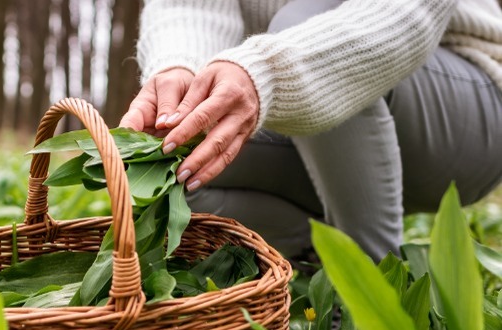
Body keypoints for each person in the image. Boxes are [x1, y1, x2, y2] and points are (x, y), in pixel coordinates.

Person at [120, 0, 502, 261]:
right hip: (299, 122)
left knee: (302, 19)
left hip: (463, 109)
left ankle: (372, 290)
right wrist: (181, 70)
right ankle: (322, 260)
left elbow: (408, 11)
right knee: (173, 170)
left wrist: (269, 71)